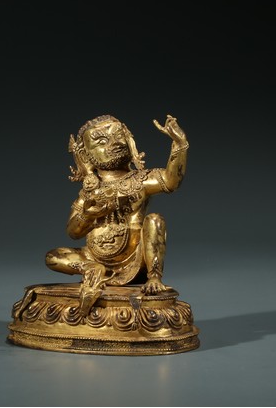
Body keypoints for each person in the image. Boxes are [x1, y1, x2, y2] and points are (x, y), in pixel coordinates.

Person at [45, 114, 189, 315]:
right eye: (102, 141)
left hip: (134, 258)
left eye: (119, 135)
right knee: (53, 257)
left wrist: (180, 144)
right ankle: (91, 269)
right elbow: (73, 232)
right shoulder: (88, 192)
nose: (116, 143)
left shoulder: (139, 180)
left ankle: (154, 277)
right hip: (94, 257)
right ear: (86, 156)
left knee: (155, 220)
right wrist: (89, 214)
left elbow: (171, 181)